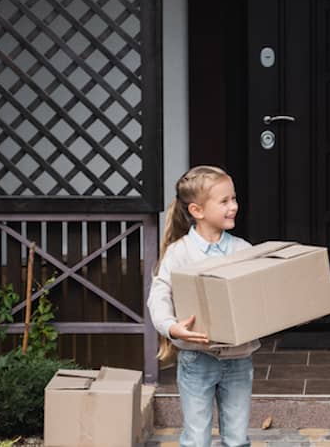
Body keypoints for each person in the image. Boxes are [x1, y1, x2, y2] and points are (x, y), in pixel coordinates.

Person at [147, 165, 256, 447]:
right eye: (224, 201)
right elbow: (158, 295)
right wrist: (172, 328)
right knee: (196, 438)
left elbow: (257, 298)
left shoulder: (243, 250)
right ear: (197, 210)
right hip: (197, 361)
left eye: (234, 198)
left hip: (238, 358)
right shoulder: (180, 253)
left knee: (237, 438)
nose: (233, 206)